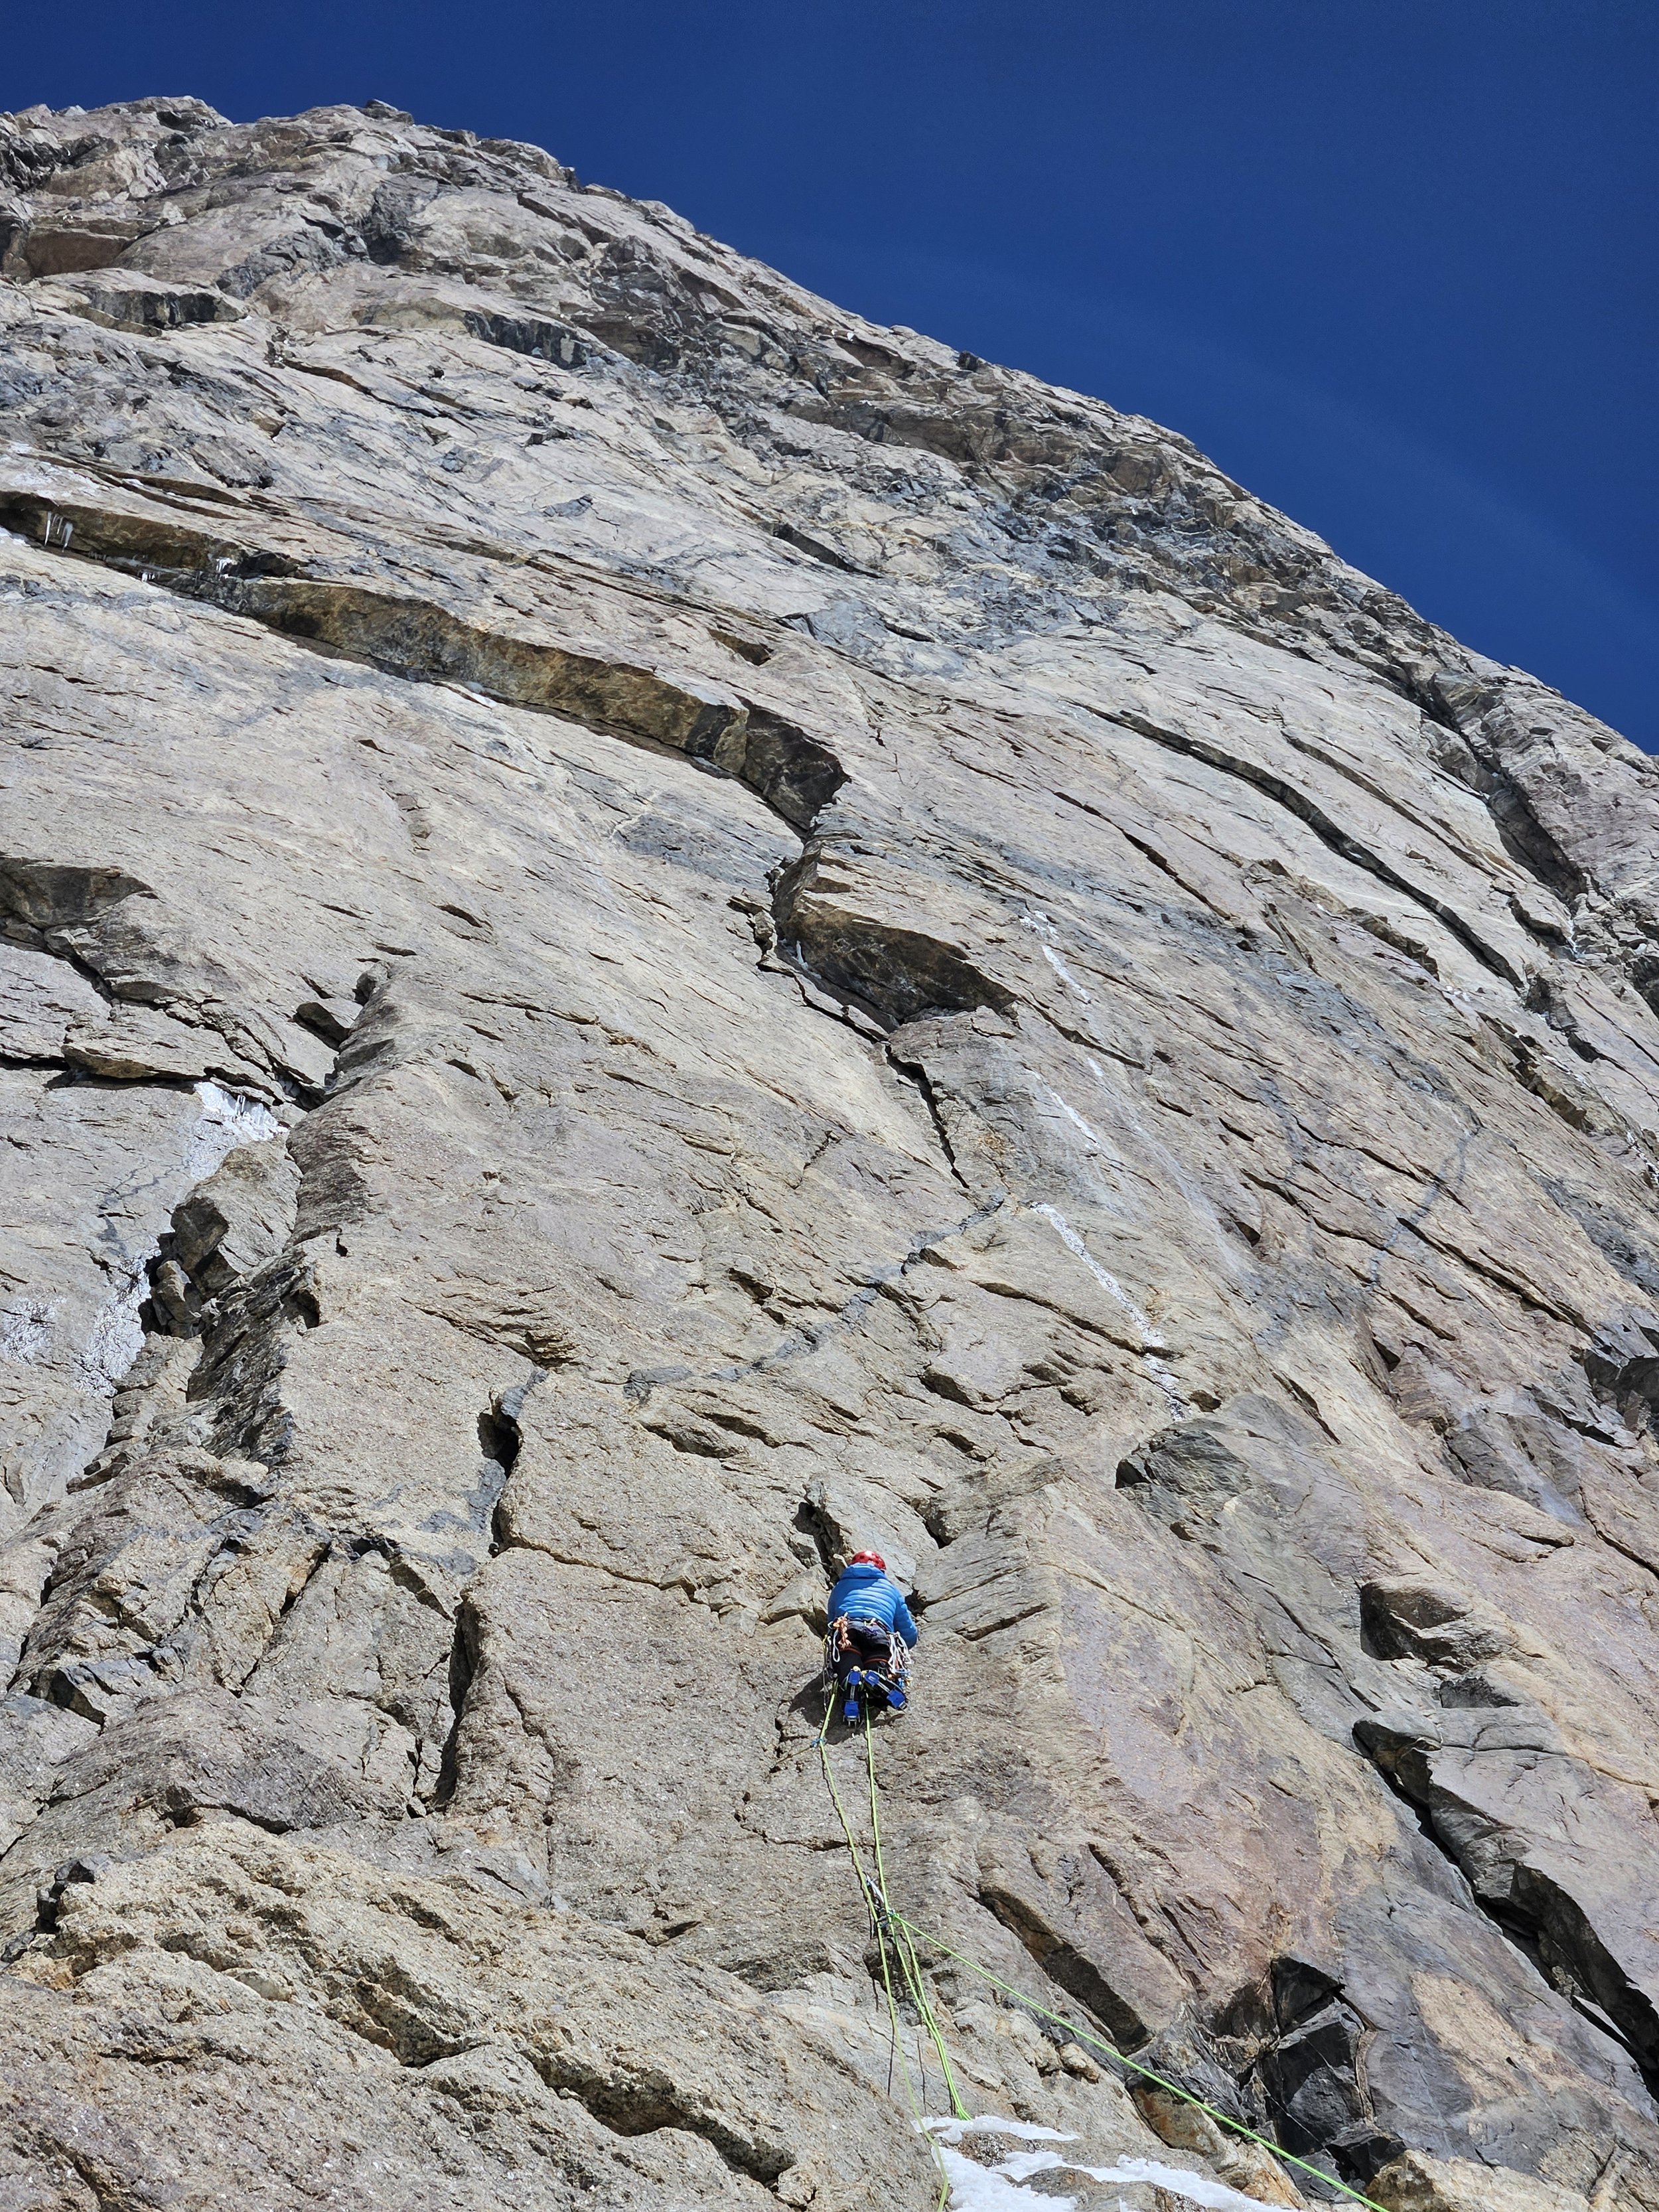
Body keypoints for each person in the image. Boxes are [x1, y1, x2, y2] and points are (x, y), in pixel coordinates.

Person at [826, 1550, 918, 1723]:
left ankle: (852, 1682)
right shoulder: (891, 1590)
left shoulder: (840, 1587)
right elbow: (907, 1629)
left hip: (847, 1628)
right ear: (881, 1570)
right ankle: (876, 1678)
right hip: (878, 1631)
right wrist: (910, 1641)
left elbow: (831, 1619)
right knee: (877, 1659)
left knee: (849, 1658)